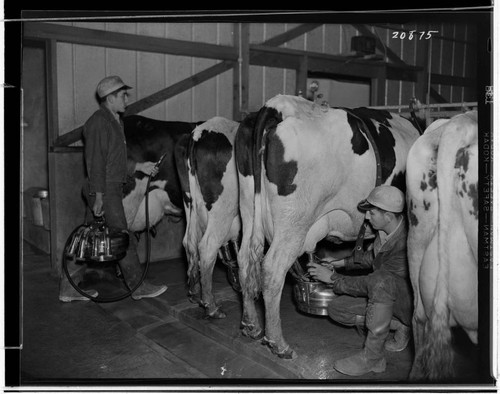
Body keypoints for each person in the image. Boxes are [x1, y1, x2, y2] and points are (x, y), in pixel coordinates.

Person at [59, 75, 168, 302]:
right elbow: (96, 162)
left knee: (88, 237)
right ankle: (137, 287)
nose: (126, 98)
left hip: (106, 187)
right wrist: (99, 196)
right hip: (104, 189)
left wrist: (140, 166)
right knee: (122, 236)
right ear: (110, 98)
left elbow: (115, 160)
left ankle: (68, 288)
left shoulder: (114, 121)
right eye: (122, 95)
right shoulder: (100, 122)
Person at [307, 185, 412, 377]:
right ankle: (401, 327)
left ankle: (373, 358)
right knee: (337, 308)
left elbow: (374, 283)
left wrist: (332, 278)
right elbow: (373, 258)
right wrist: (339, 263)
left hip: (408, 304)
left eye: (371, 213)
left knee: (381, 281)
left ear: (388, 216)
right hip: (389, 295)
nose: (366, 217)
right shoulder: (387, 231)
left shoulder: (406, 242)